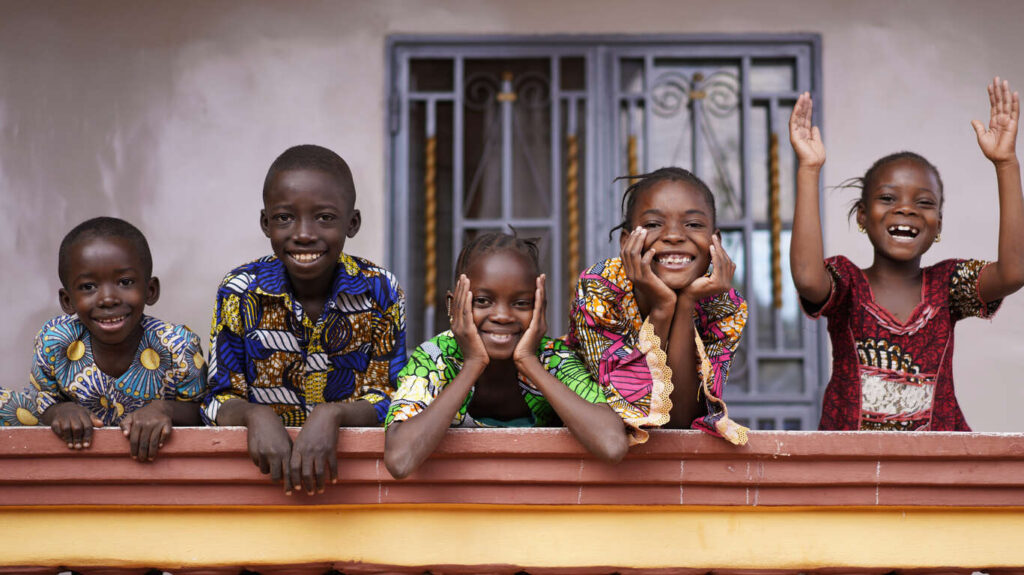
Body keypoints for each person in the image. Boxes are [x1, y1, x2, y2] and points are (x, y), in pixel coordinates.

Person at [789, 78, 1024, 430]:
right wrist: (809, 170)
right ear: (863, 217)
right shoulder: (847, 283)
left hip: (937, 469)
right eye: (888, 198)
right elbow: (807, 277)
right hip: (853, 467)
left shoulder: (948, 284)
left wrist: (1006, 163)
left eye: (924, 203)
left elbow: (1013, 272)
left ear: (938, 224)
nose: (906, 209)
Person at [203, 144, 406, 494]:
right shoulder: (239, 291)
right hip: (258, 486)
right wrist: (255, 415)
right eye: (285, 218)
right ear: (266, 223)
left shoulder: (380, 290)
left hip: (354, 487)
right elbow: (216, 399)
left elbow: (389, 396)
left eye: (324, 217)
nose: (304, 233)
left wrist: (332, 414)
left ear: (352, 223)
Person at [384, 232, 628, 479]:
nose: (502, 315)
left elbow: (612, 444)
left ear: (540, 307)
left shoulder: (553, 358)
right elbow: (400, 460)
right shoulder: (436, 357)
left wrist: (529, 362)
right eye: (482, 301)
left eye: (521, 303)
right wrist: (472, 364)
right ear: (453, 305)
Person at [567, 168, 749, 446]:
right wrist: (664, 307)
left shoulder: (724, 306)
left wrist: (686, 303)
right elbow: (631, 406)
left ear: (716, 242)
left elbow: (680, 420)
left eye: (693, 225)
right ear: (627, 242)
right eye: (653, 224)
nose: (674, 236)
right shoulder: (600, 288)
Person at [27, 217, 204, 460]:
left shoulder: (178, 345)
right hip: (80, 458)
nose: (108, 298)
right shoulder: (54, 340)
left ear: (150, 290)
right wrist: (59, 410)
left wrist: (165, 409)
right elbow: (39, 401)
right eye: (88, 286)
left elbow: (204, 410)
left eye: (125, 282)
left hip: (154, 463)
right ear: (67, 301)